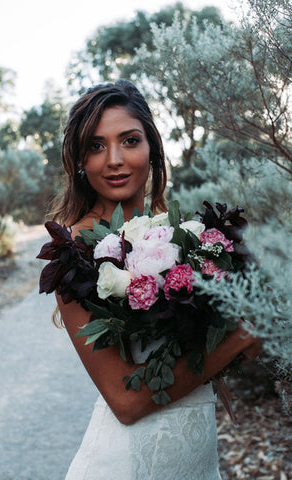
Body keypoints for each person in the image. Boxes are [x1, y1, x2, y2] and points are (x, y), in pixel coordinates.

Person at [49, 80, 260, 479]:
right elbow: (125, 402)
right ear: (80, 160)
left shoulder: (181, 235)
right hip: (125, 464)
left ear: (153, 150)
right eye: (96, 146)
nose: (114, 159)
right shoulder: (74, 252)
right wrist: (239, 338)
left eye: (129, 140)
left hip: (195, 460)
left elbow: (220, 350)